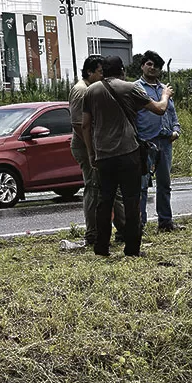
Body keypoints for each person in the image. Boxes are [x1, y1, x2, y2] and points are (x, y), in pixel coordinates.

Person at [80, 55, 172, 257]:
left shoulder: (91, 91)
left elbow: (85, 125)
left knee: (105, 201)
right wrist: (165, 94)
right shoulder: (131, 88)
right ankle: (132, 249)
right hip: (128, 152)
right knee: (131, 201)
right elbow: (159, 109)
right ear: (122, 70)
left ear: (103, 71)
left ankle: (101, 247)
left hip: (103, 154)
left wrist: (91, 152)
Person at [62, 55, 125, 251]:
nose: (103, 76)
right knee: (94, 187)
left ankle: (124, 228)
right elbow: (79, 125)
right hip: (86, 146)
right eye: (100, 72)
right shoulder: (82, 91)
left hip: (96, 146)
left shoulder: (92, 89)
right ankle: (93, 233)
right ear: (90, 72)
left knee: (109, 188)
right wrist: (92, 151)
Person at [135, 50, 180, 233]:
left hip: (165, 141)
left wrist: (176, 131)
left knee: (165, 184)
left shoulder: (165, 89)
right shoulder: (136, 88)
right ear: (142, 65)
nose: (152, 68)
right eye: (149, 64)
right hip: (145, 142)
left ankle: (165, 222)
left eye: (156, 66)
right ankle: (140, 224)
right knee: (142, 185)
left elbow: (172, 113)